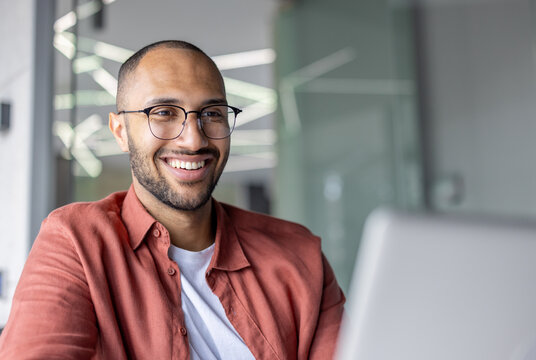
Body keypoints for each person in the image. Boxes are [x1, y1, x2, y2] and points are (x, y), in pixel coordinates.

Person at [0, 40, 345, 359]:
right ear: (120, 131)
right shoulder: (76, 240)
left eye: (211, 113)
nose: (194, 140)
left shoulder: (300, 254)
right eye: (164, 113)